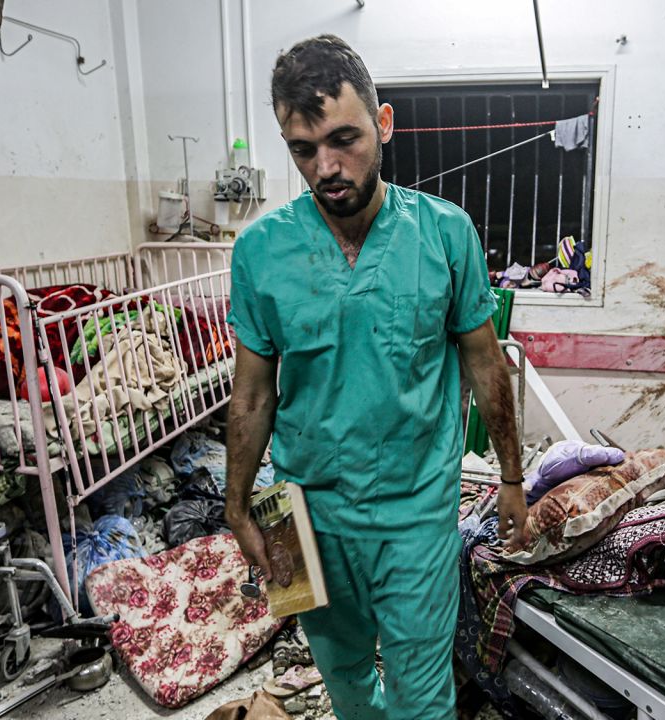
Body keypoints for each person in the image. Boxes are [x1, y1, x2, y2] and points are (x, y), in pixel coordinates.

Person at [224, 34, 527, 720]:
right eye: (303, 149)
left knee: (422, 698)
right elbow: (252, 394)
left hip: (414, 511)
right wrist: (236, 505)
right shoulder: (260, 253)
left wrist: (510, 478)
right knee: (344, 678)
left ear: (383, 124)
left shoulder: (446, 234)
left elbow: (485, 363)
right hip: (299, 512)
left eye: (344, 139)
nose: (327, 166)